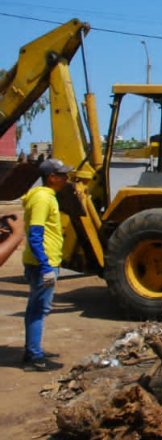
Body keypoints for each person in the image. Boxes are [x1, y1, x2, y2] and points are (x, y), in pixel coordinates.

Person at [21, 158, 71, 371]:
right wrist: (45, 267)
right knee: (39, 309)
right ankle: (35, 357)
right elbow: (35, 235)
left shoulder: (45, 196)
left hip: (41, 262)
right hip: (43, 263)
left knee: (35, 308)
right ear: (51, 177)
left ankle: (31, 351)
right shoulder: (43, 199)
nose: (66, 178)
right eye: (62, 175)